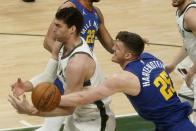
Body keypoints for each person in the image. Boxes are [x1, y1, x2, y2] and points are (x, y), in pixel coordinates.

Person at [10, 31, 196, 131]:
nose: (112, 48)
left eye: (117, 47)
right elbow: (157, 73)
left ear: (129, 55)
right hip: (171, 122)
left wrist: (48, 101)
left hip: (175, 126)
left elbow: (84, 97)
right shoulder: (149, 57)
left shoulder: (122, 78)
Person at [9, 7, 115, 131]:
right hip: (76, 115)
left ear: (72, 29)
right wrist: (26, 86)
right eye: (55, 24)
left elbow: (69, 108)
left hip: (94, 121)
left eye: (58, 26)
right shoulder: (60, 45)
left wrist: (32, 110)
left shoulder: (78, 63)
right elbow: (49, 75)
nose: (54, 29)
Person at [166, 0, 196, 125]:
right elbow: (187, 43)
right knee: (181, 108)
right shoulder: (180, 11)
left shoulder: (191, 15)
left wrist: (190, 73)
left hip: (194, 71)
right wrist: (173, 65)